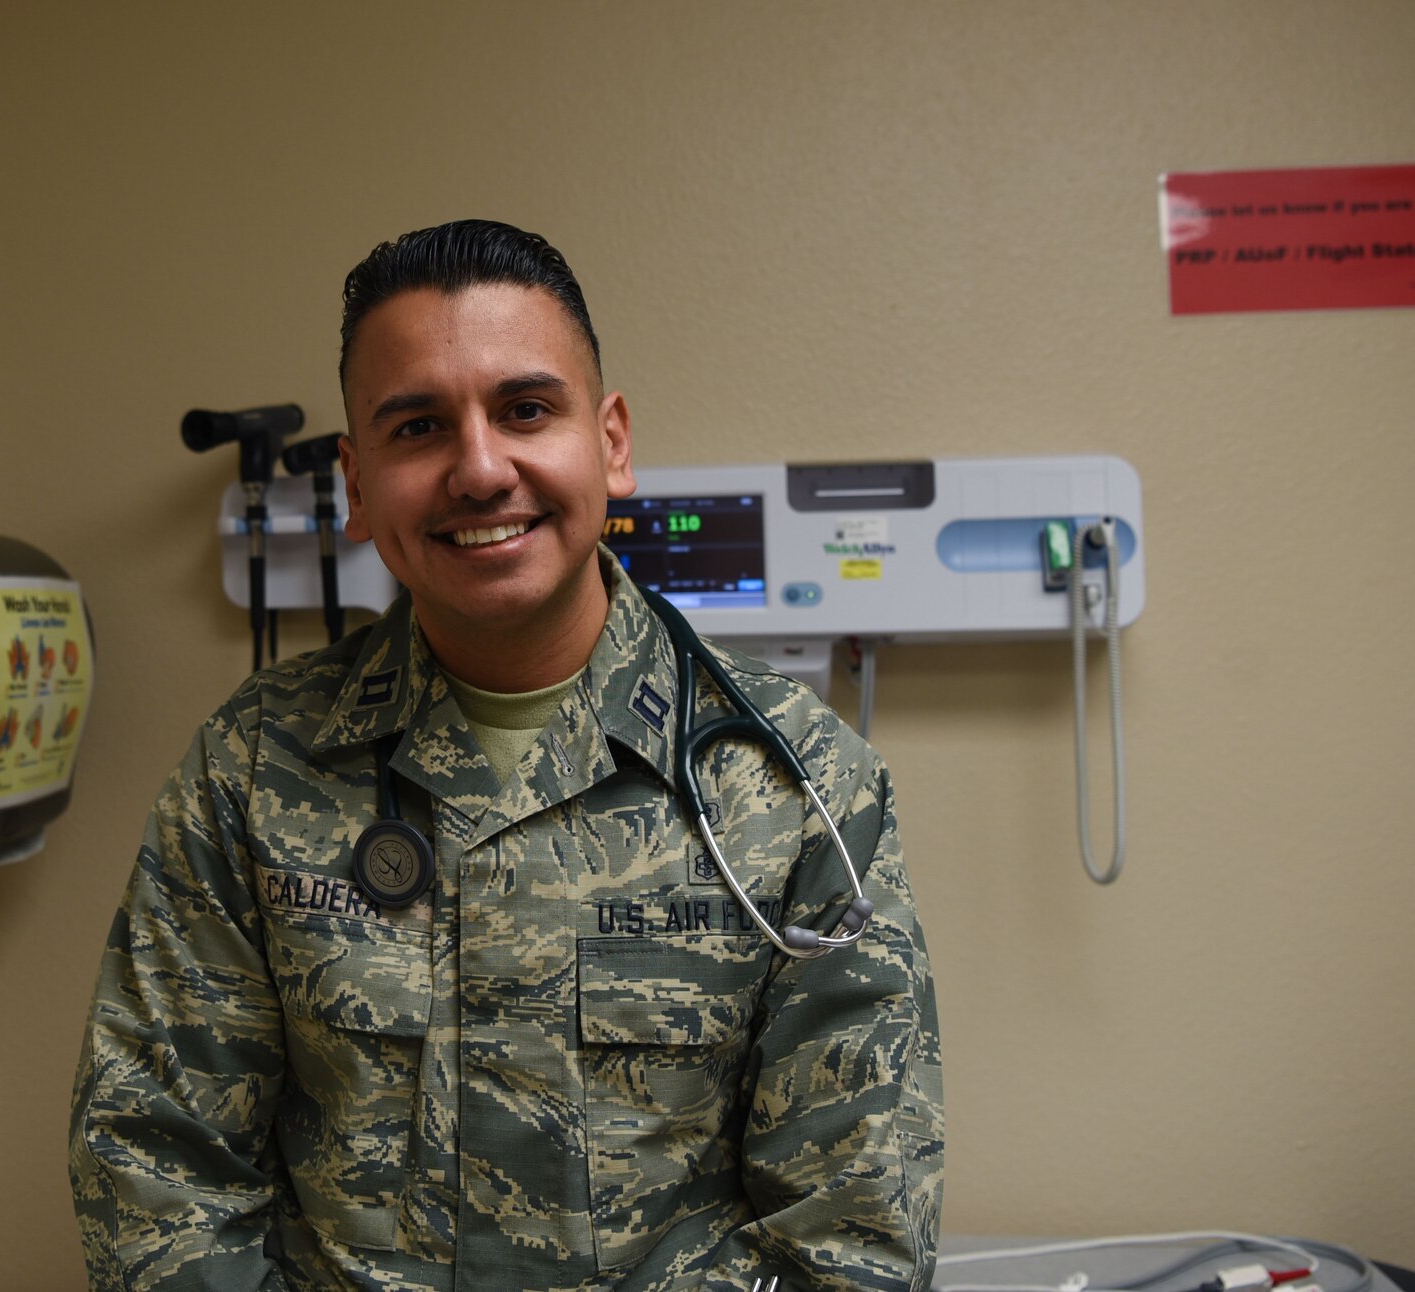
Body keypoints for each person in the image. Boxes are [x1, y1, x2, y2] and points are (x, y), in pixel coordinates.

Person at [70, 220, 943, 1291]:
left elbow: (851, 1234)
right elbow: (153, 1169)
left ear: (610, 440)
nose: (479, 469)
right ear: (355, 479)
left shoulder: (795, 784)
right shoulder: (253, 769)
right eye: (418, 427)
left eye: (526, 409)